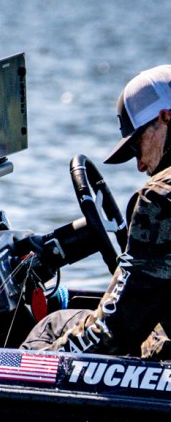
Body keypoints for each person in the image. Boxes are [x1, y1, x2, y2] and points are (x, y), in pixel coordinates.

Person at [22, 65, 171, 358]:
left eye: (137, 147)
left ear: (165, 117)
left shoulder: (159, 198)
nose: (140, 165)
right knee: (59, 321)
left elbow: (115, 331)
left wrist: (42, 360)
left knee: (47, 334)